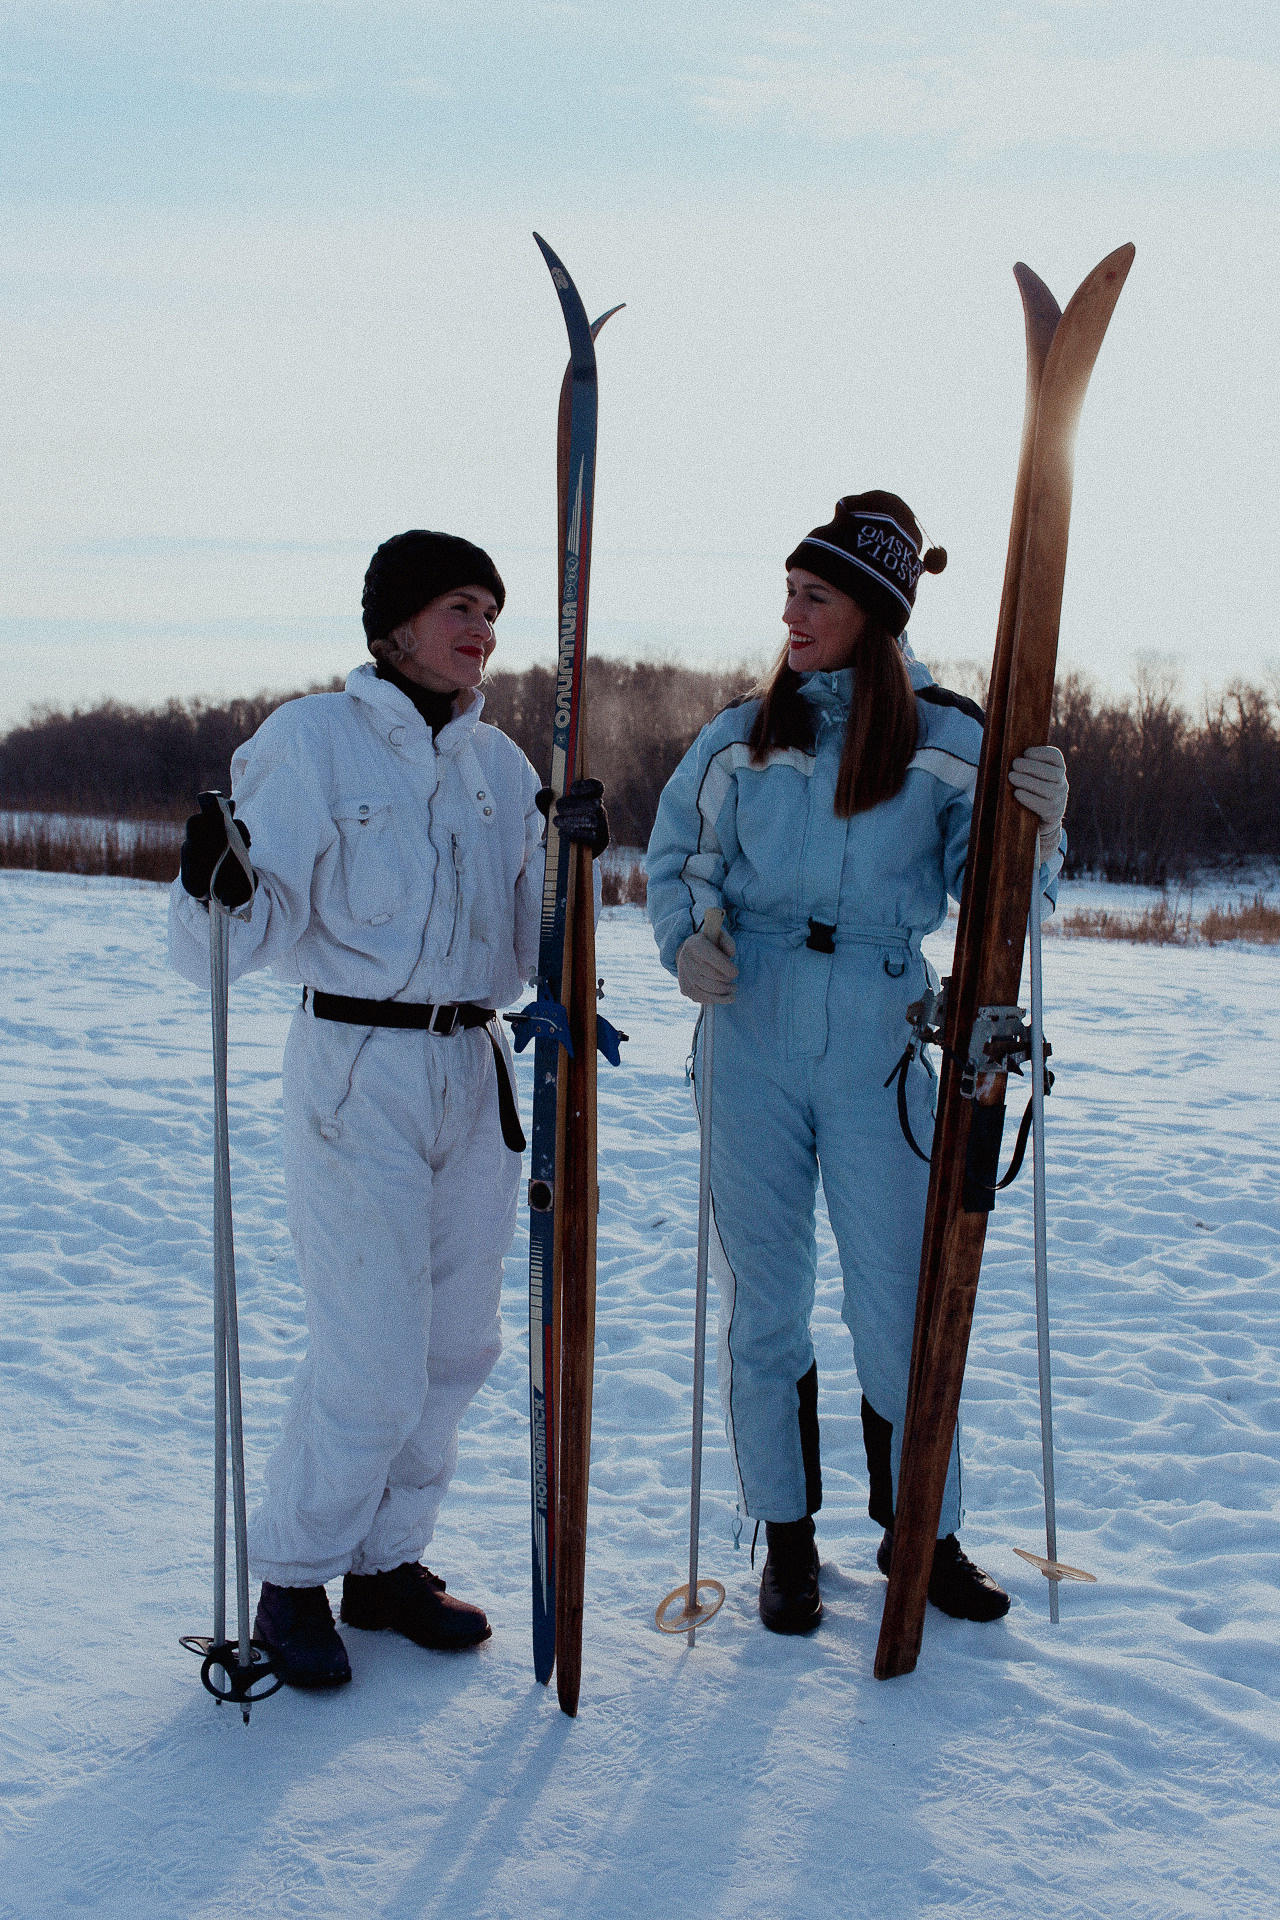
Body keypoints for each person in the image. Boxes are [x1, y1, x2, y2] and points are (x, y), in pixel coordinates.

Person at [169, 530, 608, 1689]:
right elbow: (231, 942)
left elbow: (529, 950)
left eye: (494, 614)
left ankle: (384, 1563)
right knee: (369, 1353)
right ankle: (294, 1580)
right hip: (355, 1068)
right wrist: (210, 882)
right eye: (461, 606)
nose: (483, 632)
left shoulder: (504, 767)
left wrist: (575, 871)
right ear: (394, 625)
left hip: (471, 1067)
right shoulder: (313, 744)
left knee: (456, 1345)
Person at [645, 491, 1068, 1635]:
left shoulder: (945, 734)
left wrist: (1040, 826)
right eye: (788, 591)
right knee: (766, 1301)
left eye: (814, 596)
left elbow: (998, 899)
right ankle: (785, 1540)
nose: (790, 613)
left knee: (901, 1298)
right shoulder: (740, 732)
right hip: (751, 1029)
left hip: (882, 1035)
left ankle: (919, 1532)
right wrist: (688, 943)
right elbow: (677, 855)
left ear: (873, 615)